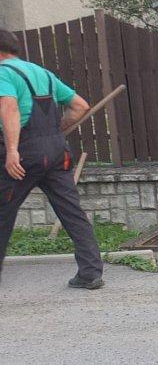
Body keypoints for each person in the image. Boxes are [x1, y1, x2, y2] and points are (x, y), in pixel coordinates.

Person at [0, 29, 104, 289]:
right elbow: (80, 105)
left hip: (24, 155)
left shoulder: (3, 73)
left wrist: (12, 150)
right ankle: (91, 272)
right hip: (57, 152)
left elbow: (9, 108)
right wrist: (57, 129)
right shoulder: (43, 73)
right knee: (72, 213)